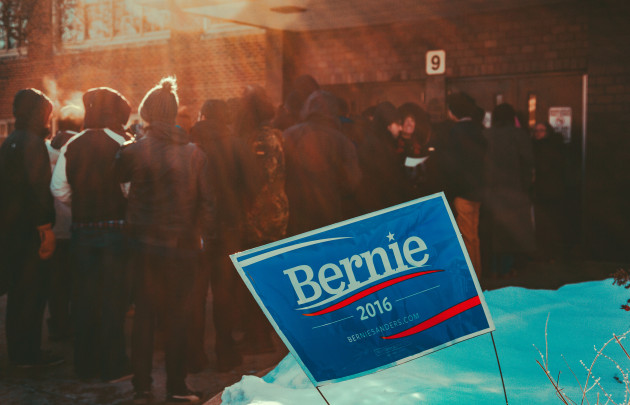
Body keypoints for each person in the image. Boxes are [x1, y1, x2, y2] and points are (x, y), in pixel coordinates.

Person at [114, 77, 215, 404]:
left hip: (143, 247)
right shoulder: (195, 154)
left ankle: (141, 386)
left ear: (145, 113)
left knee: (143, 315)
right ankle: (177, 386)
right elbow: (208, 205)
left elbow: (118, 182)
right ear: (173, 114)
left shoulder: (133, 151)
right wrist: (201, 241)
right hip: (182, 248)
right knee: (178, 318)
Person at [50, 87, 133, 381]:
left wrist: (82, 203)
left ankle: (85, 366)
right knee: (113, 300)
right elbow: (129, 190)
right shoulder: (123, 144)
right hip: (115, 233)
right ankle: (114, 366)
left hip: (81, 233)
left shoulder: (72, 146)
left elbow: (58, 188)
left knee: (84, 300)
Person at [0, 88, 62, 367]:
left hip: (10, 232)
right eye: (47, 114)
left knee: (17, 295)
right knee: (32, 295)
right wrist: (45, 228)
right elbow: (38, 189)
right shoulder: (33, 144)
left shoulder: (9, 141)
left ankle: (18, 352)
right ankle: (29, 354)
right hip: (30, 233)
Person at [189, 98, 248, 372]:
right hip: (229, 227)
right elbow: (253, 183)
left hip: (195, 227)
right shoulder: (236, 144)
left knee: (196, 292)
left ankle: (195, 355)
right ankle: (225, 352)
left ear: (202, 116)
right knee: (225, 292)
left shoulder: (190, 143)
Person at [235, 85, 289, 354]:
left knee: (255, 278)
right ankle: (266, 333)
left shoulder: (255, 140)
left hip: (257, 216)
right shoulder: (277, 135)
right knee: (269, 275)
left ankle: (258, 337)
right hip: (278, 213)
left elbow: (254, 180)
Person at [283, 89, 362, 234]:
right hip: (328, 217)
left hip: (295, 217)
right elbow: (352, 182)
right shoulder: (342, 141)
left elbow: (279, 176)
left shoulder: (288, 135)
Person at [483, 103, 535, 278]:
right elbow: (528, 161)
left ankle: (492, 268)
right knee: (509, 232)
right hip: (514, 190)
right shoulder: (519, 135)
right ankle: (506, 269)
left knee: (492, 231)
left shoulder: (486, 134)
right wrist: (525, 186)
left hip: (491, 190)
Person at [44, 104, 83, 342]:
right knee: (77, 281)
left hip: (51, 226)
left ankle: (57, 324)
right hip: (77, 224)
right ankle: (74, 324)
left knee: (55, 283)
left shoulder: (45, 149)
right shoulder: (80, 149)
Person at [437, 92, 486, 278]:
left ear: (453, 112)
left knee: (465, 237)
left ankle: (471, 279)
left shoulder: (456, 132)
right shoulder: (478, 130)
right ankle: (478, 274)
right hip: (478, 192)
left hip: (462, 193)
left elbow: (452, 166)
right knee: (473, 236)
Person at [357, 101, 410, 213]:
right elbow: (386, 178)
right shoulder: (375, 145)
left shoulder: (384, 142)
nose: (401, 128)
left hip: (382, 204)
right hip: (378, 206)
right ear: (387, 124)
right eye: (397, 124)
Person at [531, 121, 566, 261]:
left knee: (547, 223)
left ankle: (547, 253)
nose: (538, 133)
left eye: (541, 130)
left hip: (546, 191)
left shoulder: (542, 148)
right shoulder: (552, 147)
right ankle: (549, 253)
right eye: (536, 130)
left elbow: (543, 168)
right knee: (547, 223)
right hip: (549, 190)